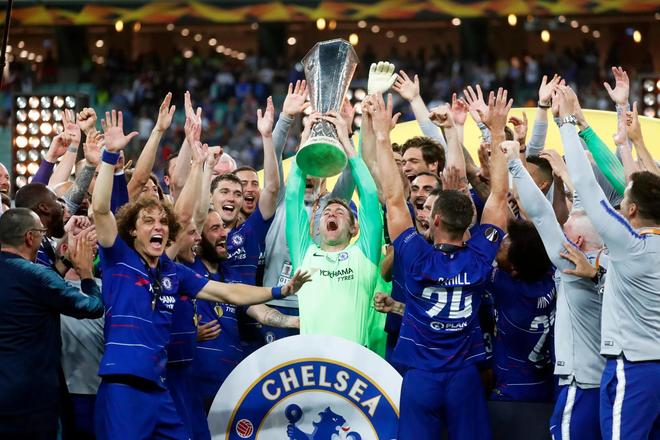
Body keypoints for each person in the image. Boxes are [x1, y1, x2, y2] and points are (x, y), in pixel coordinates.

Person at [91, 110, 311, 439]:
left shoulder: (174, 272)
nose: (158, 227)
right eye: (148, 221)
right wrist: (109, 157)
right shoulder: (118, 259)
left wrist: (279, 291)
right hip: (124, 385)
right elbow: (100, 209)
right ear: (132, 231)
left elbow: (229, 292)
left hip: (160, 386)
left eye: (162, 222)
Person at [377, 88, 510, 439]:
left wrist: (382, 136)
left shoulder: (415, 255)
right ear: (469, 224)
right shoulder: (480, 256)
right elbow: (499, 196)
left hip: (421, 375)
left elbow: (393, 198)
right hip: (464, 375)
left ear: (434, 220)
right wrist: (497, 131)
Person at [555, 85, 660, 440]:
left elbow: (587, 186)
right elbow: (639, 184)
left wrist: (567, 123)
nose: (620, 197)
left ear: (631, 210)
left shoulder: (629, 244)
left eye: (624, 198)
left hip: (634, 368)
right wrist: (631, 142)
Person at [507, 142, 607, 438]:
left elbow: (540, 214)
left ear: (577, 240)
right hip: (612, 380)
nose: (563, 224)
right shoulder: (618, 260)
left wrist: (514, 163)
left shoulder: (571, 265)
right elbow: (599, 211)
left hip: (583, 384)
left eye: (568, 224)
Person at [0, 208, 104, 440]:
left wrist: (66, 260)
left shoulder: (35, 277)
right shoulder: (36, 276)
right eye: (41, 232)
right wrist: (86, 274)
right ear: (30, 237)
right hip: (33, 401)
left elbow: (43, 287)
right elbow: (92, 307)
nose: (43, 236)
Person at [286, 108, 381, 346]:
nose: (331, 213)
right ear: (317, 228)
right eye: (327, 212)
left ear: (354, 228)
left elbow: (370, 197)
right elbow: (292, 198)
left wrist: (347, 143)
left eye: (340, 212)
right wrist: (304, 142)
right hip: (312, 361)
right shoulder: (305, 254)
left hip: (353, 363)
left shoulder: (364, 256)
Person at [487, 218, 556, 402]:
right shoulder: (550, 273)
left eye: (500, 250)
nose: (499, 246)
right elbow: (533, 240)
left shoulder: (507, 286)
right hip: (546, 382)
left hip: (513, 388)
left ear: (514, 269)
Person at [14, 183, 66, 269]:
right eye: (56, 200)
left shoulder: (43, 244)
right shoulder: (33, 250)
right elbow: (46, 277)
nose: (62, 205)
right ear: (44, 207)